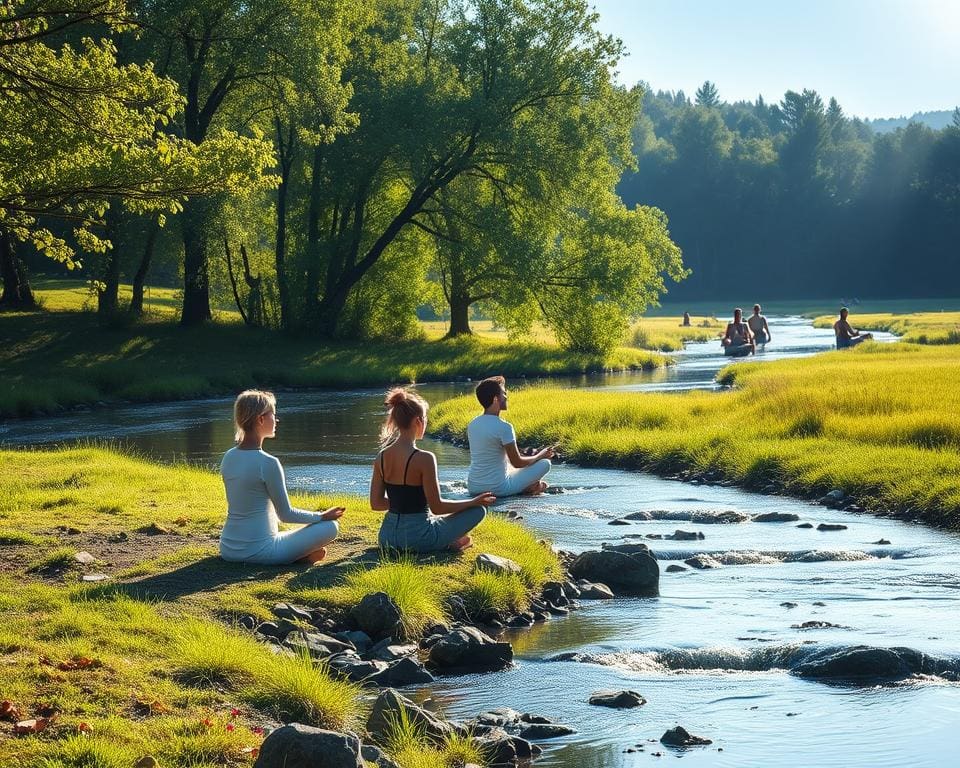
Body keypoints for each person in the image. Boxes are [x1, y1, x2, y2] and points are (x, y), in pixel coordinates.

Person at [220, 390, 343, 565]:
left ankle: (302, 555)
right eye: (273, 415)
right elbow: (285, 514)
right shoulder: (268, 463)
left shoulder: (228, 457)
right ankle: (300, 556)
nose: (276, 420)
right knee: (331, 527)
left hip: (228, 549)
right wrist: (321, 516)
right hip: (260, 551)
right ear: (260, 419)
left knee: (287, 534)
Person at [370, 388, 493, 553]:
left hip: (386, 538)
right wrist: (473, 502)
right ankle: (449, 543)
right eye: (426, 419)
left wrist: (405, 504)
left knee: (434, 519)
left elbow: (376, 504)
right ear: (418, 421)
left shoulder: (382, 456)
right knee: (478, 511)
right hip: (418, 539)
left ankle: (452, 542)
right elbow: (437, 507)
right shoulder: (425, 458)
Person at [466, 376, 553, 497]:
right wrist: (540, 455)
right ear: (496, 399)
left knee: (513, 468)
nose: (506, 397)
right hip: (498, 489)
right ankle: (529, 488)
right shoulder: (504, 427)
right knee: (545, 464)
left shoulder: (473, 424)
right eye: (504, 393)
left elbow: (500, 459)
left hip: (473, 487)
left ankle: (530, 486)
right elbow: (517, 463)